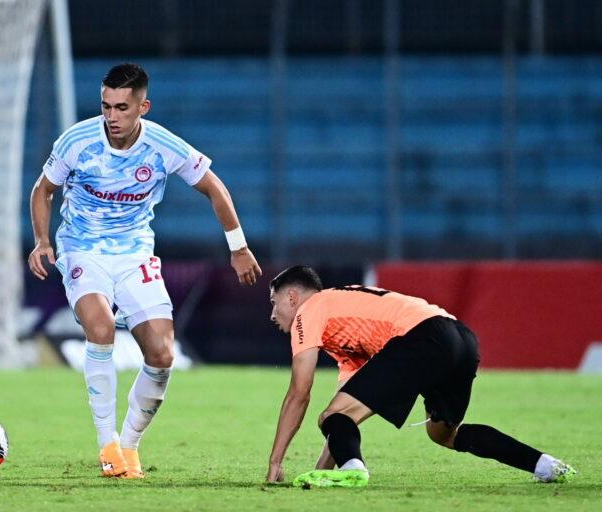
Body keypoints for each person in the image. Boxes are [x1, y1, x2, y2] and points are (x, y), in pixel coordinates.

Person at [29, 63, 262, 479]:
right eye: (106, 106)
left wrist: (239, 247)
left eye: (121, 107)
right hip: (83, 249)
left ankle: (130, 445)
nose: (111, 116)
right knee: (100, 327)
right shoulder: (77, 141)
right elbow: (43, 190)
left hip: (135, 254)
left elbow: (214, 188)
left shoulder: (162, 146)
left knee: (161, 353)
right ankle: (108, 445)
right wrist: (43, 241)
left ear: (143, 107)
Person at [265, 265, 576, 488]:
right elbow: (344, 420)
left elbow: (299, 393)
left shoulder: (310, 309)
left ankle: (354, 469)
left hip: (422, 337)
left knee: (332, 415)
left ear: (292, 297)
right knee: (444, 433)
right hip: (460, 338)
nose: (273, 314)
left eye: (274, 303)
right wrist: (323, 473)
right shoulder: (345, 326)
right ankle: (545, 465)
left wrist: (275, 461)